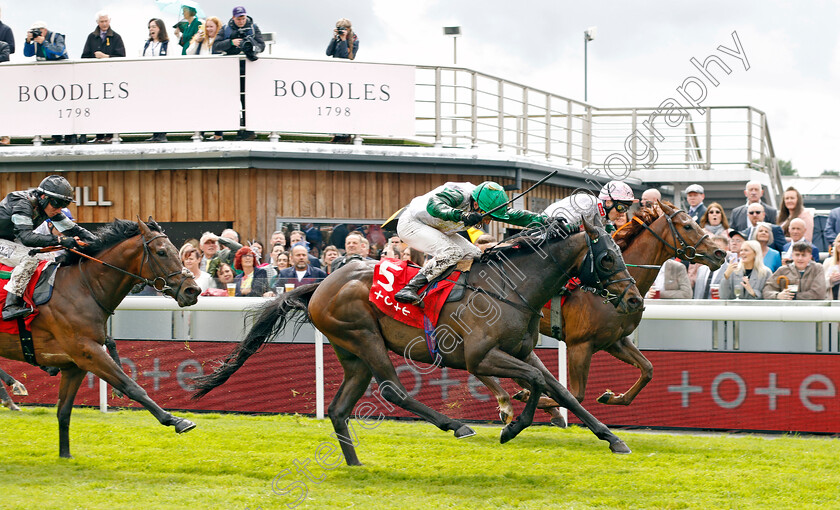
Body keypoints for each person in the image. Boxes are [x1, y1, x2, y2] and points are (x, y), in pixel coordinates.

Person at [395, 181, 545, 304]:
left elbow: (518, 216)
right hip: (412, 224)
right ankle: (410, 288)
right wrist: (462, 215)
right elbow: (434, 205)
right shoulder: (459, 195)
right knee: (452, 252)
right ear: (475, 205)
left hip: (436, 228)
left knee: (476, 255)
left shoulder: (484, 202)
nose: (488, 220)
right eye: (488, 215)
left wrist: (545, 220)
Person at [0, 176, 96, 319]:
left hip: (9, 240)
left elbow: (75, 230)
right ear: (43, 197)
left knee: (50, 257)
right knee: (30, 257)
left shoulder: (49, 208)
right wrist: (60, 240)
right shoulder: (22, 203)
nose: (59, 209)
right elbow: (27, 238)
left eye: (64, 205)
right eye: (57, 204)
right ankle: (10, 305)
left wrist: (98, 243)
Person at [214, 6, 265, 141]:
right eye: (239, 19)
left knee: (247, 99)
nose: (242, 21)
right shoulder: (225, 29)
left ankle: (249, 131)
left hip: (249, 68)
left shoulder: (254, 27)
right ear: (233, 18)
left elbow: (262, 46)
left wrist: (251, 44)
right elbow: (216, 46)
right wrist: (231, 42)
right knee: (233, 99)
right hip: (231, 69)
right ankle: (238, 129)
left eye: (243, 18)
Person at [82, 11, 126, 144]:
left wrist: (106, 57)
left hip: (112, 79)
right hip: (96, 79)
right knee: (97, 107)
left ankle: (111, 133)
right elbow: (84, 56)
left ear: (109, 21)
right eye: (102, 21)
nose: (104, 24)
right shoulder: (91, 37)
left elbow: (122, 56)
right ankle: (99, 135)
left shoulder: (116, 37)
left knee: (111, 106)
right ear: (97, 22)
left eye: (106, 21)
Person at [544, 180, 638, 234]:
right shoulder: (587, 204)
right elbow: (562, 230)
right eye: (621, 208)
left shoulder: (604, 217)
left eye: (626, 209)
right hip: (542, 236)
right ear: (608, 202)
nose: (622, 214)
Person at [141, 19, 170, 143]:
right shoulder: (148, 44)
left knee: (163, 107)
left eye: (154, 27)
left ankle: (162, 134)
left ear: (160, 28)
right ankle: (155, 133)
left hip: (163, 80)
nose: (151, 29)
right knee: (152, 107)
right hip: (150, 80)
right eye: (150, 27)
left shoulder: (167, 44)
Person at [822, 233, 840, 299]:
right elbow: (819, 285)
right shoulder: (827, 262)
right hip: (828, 302)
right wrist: (830, 280)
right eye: (839, 241)